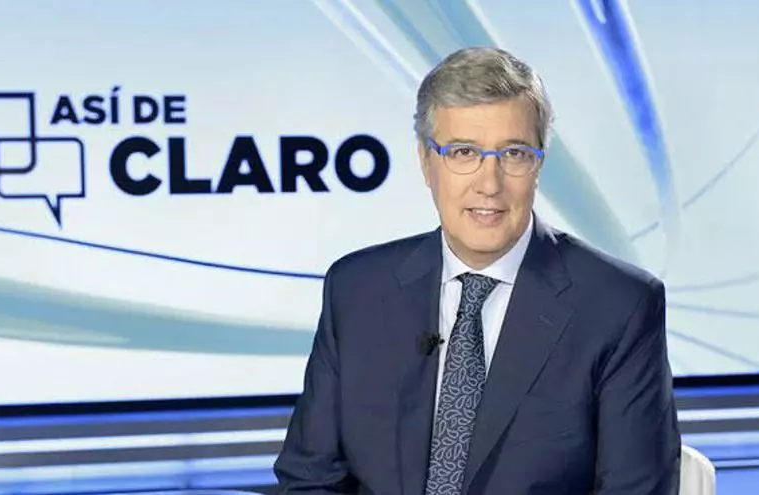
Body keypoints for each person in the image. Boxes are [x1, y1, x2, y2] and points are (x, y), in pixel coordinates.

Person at [273, 46, 681, 494]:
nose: (489, 184)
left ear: (539, 163)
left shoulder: (619, 307)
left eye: (514, 154)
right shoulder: (356, 291)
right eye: (463, 152)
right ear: (426, 162)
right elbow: (310, 479)